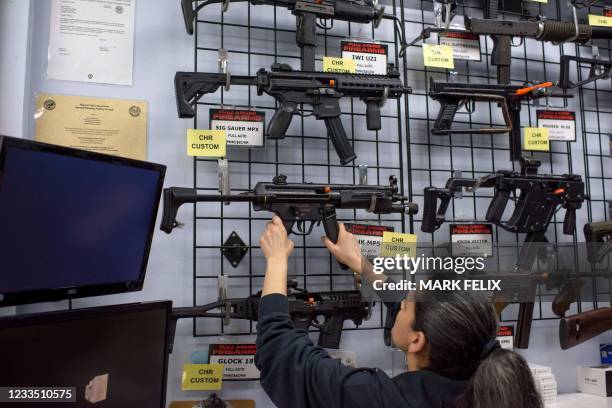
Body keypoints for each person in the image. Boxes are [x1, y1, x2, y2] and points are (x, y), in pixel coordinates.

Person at [255, 216, 543, 408]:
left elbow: (281, 357)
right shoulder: (480, 382)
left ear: (418, 341)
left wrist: (277, 261)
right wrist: (362, 265)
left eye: (406, 305)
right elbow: (410, 309)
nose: (400, 303)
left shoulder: (385, 400)